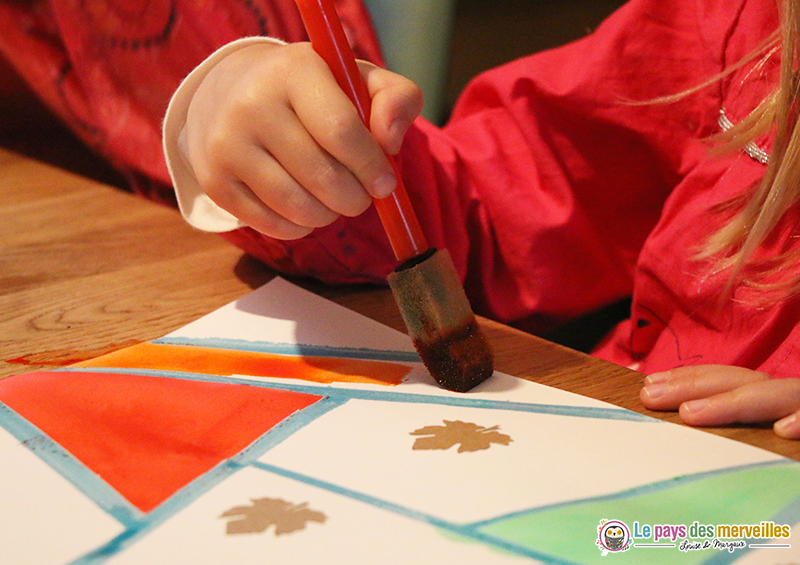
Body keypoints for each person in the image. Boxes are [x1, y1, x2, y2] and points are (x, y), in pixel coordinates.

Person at [4, 0, 800, 439]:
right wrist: (272, 130)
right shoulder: (745, 24)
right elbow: (493, 202)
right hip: (610, 472)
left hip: (719, 514)